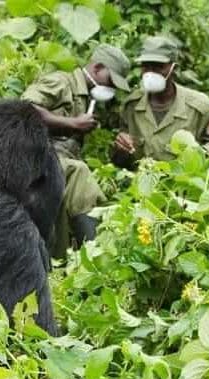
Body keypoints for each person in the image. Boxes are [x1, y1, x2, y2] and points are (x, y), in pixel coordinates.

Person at [22, 44, 131, 258]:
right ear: (97, 68)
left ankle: (77, 257)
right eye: (111, 81)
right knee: (79, 172)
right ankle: (97, 256)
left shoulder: (86, 98)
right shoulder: (61, 82)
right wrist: (72, 123)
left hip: (56, 164)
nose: (112, 88)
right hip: (36, 155)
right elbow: (23, 109)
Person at [112, 36, 209, 167]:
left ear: (174, 69)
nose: (150, 73)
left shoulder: (199, 106)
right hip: (142, 178)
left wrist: (198, 157)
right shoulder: (131, 106)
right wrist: (121, 148)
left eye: (158, 67)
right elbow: (121, 160)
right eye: (146, 66)